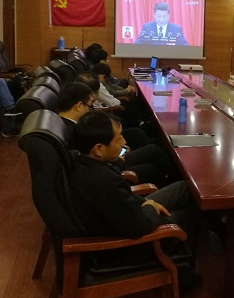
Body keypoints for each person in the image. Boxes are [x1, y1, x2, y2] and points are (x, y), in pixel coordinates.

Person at [67, 111, 199, 277]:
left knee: (185, 188)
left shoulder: (81, 160)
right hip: (126, 245)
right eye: (119, 139)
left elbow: (122, 202)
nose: (124, 142)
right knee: (187, 217)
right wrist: (150, 207)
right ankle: (184, 275)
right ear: (99, 149)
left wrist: (144, 203)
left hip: (129, 213)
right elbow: (138, 226)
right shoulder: (103, 181)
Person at [58, 82, 179, 187]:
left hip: (108, 161)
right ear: (79, 106)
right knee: (153, 160)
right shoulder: (70, 132)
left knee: (147, 144)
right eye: (90, 106)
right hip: (109, 166)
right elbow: (91, 160)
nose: (91, 110)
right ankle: (177, 181)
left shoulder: (60, 123)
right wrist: (117, 158)